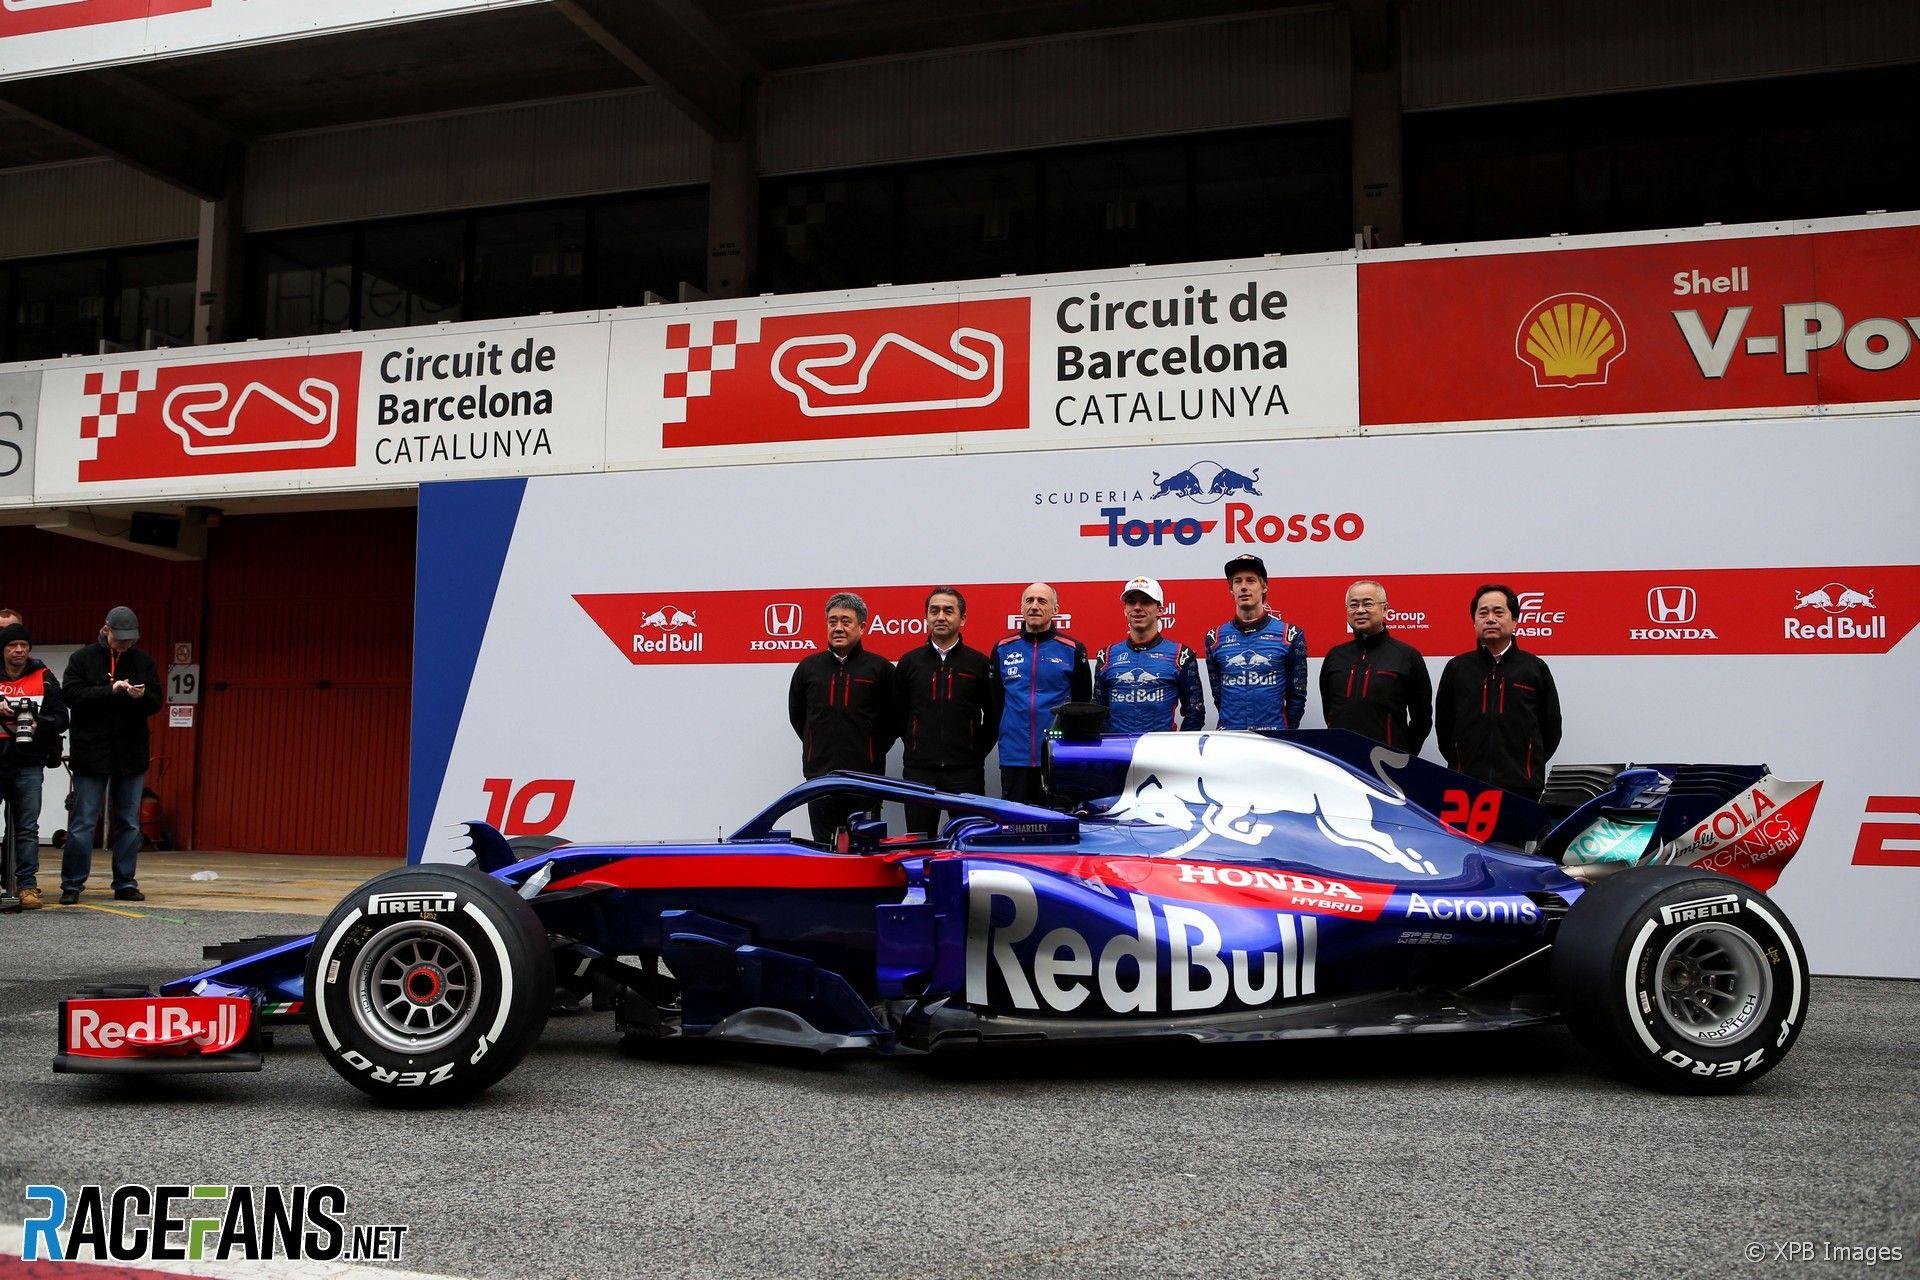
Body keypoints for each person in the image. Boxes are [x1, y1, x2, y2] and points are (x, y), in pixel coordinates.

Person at [60, 606, 162, 903]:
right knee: (83, 821)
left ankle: (125, 882)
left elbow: (156, 701)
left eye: (130, 640)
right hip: (91, 752)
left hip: (130, 753)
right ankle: (72, 884)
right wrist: (110, 689)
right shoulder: (82, 659)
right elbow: (71, 695)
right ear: (106, 630)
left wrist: (142, 697)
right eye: (120, 640)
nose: (125, 645)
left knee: (129, 820)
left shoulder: (143, 661)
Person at [1435, 583, 1563, 800]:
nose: (1490, 618)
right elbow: (1444, 728)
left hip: (1521, 787)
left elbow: (1551, 730)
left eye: (1498, 612)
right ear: (1474, 621)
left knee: (1519, 835)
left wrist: (1527, 767)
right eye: (1483, 613)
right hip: (1465, 785)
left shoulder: (1534, 668)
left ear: (1514, 620)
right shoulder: (1457, 668)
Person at [787, 592, 896, 843]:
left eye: (846, 621)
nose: (838, 628)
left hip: (865, 779)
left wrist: (870, 751)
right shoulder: (808, 668)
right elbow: (798, 717)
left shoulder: (880, 669)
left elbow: (894, 721)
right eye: (832, 621)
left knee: (865, 851)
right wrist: (817, 748)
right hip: (820, 779)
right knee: (824, 850)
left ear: (862, 626)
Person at [893, 587, 1001, 836]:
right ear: (927, 618)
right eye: (934, 611)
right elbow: (896, 714)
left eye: (948, 611)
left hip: (965, 773)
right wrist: (915, 743)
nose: (940, 616)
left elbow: (994, 716)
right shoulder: (909, 663)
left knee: (968, 843)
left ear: (962, 619)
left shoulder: (979, 663)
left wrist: (973, 750)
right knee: (919, 845)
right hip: (919, 772)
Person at [989, 582, 1089, 805]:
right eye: (1029, 601)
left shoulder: (1073, 649)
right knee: (1016, 828)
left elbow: (1081, 703)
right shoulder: (1002, 648)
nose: (1034, 606)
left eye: (1042, 601)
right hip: (1014, 756)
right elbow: (995, 702)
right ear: (1021, 608)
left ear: (1055, 610)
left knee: (1057, 825)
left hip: (1058, 754)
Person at [1319, 578, 1432, 755]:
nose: (1360, 610)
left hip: (1388, 763)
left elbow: (1422, 719)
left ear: (1385, 609)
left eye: (1368, 603)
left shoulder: (1407, 656)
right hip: (1341, 759)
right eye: (1353, 605)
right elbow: (1330, 712)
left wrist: (1402, 755)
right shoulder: (1335, 656)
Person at [0, 623, 68, 911]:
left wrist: (39, 723)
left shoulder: (45, 676)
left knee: (27, 827)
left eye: (23, 645)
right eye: (12, 645)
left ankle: (27, 885)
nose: (19, 650)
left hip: (28, 761)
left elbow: (62, 718)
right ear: (3, 649)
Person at [1204, 554, 1307, 731]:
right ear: (1231, 589)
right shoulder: (1214, 638)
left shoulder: (1290, 635)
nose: (1244, 587)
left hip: (1274, 737)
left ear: (1264, 586)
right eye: (1238, 581)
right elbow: (1218, 695)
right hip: (1231, 736)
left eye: (1251, 581)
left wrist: (1287, 733)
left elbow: (1297, 696)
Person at [1094, 576, 1203, 734]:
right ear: (1125, 610)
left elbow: (1195, 713)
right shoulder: (1106, 656)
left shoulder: (1181, 654)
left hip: (1160, 754)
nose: (1137, 607)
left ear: (1160, 610)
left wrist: (1179, 749)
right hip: (1118, 752)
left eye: (1146, 601)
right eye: (1131, 602)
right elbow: (1098, 714)